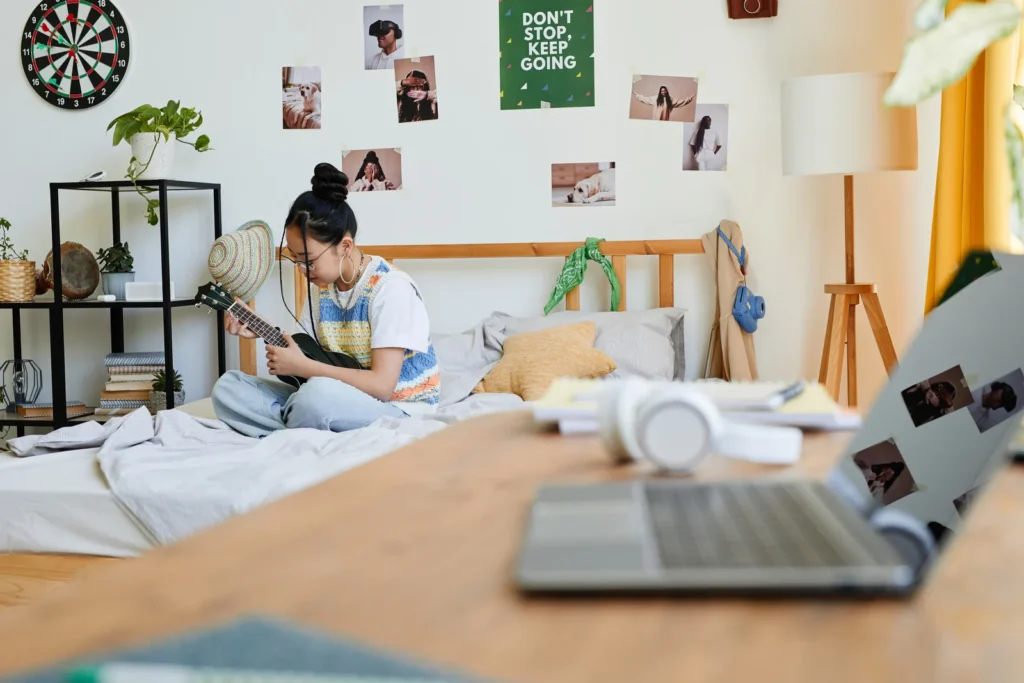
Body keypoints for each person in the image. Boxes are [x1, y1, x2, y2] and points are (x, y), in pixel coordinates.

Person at [212, 163, 440, 438]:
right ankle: (304, 422)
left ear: (345, 246)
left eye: (308, 261)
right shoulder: (323, 288)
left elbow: (382, 386)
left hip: (399, 409)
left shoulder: (391, 290)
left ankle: (298, 420)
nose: (301, 270)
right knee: (229, 387)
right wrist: (260, 328)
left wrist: (303, 368)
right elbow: (312, 354)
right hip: (338, 397)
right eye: (294, 259)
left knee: (314, 398)